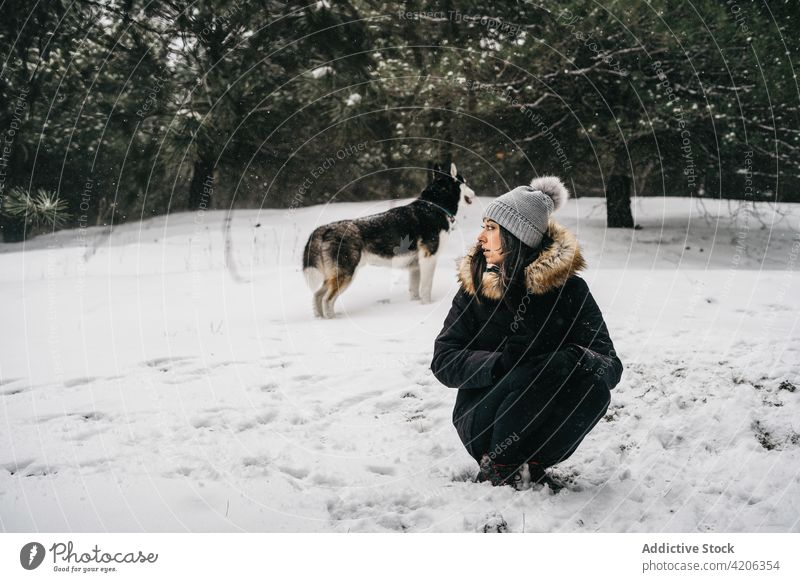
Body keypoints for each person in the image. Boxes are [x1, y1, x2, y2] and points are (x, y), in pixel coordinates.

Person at [430, 176, 623, 490]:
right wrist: (499, 363)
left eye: (491, 228)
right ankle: (499, 465)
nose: (481, 237)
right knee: (531, 370)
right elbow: (444, 361)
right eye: (484, 226)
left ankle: (531, 463)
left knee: (594, 388)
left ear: (516, 236)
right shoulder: (475, 290)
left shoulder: (571, 291)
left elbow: (611, 367)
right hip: (483, 420)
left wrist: (574, 359)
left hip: (543, 422)